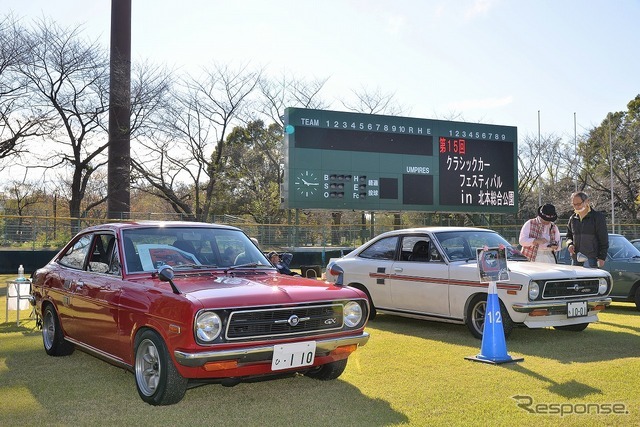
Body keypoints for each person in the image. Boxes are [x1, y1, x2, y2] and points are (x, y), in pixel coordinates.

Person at [566, 191, 609, 268]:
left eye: (578, 204)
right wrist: (570, 244)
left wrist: (602, 257)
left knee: (589, 280)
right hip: (575, 259)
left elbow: (603, 239)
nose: (576, 207)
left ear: (587, 201)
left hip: (592, 259)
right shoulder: (572, 218)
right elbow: (568, 236)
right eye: (574, 204)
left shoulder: (597, 217)